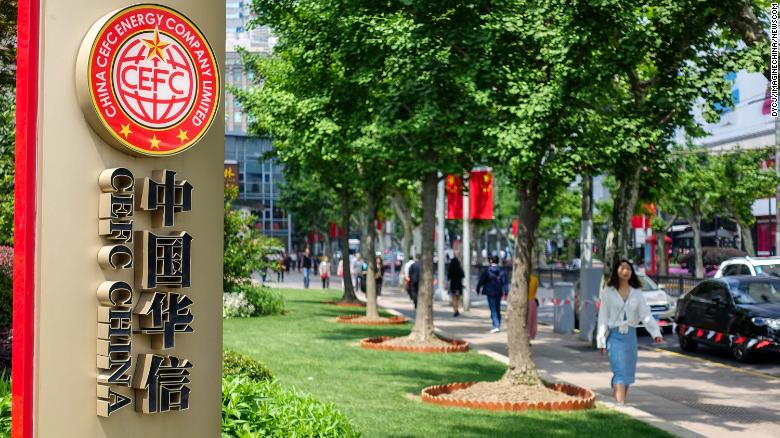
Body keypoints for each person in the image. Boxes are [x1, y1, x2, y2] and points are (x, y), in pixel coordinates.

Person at [597, 259, 663, 405]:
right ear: (616, 271)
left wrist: (656, 333)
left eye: (628, 269)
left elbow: (645, 315)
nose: (625, 271)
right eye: (622, 268)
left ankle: (619, 395)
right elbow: (602, 318)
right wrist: (600, 340)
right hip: (614, 336)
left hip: (631, 337)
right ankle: (621, 405)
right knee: (619, 370)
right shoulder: (608, 292)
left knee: (627, 373)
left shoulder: (637, 293)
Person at [476, 256, 508, 333]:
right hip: (499, 292)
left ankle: (496, 326)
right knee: (497, 308)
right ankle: (498, 324)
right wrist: (506, 292)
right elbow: (505, 283)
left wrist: (478, 289)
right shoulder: (501, 271)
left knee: (493, 309)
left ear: (490, 261)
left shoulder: (487, 271)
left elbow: (481, 280)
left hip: (490, 292)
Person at [528, 273, 539, 340]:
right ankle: (530, 337)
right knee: (532, 321)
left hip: (525, 302)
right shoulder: (535, 279)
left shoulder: (522, 279)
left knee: (526, 321)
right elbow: (535, 291)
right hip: (532, 302)